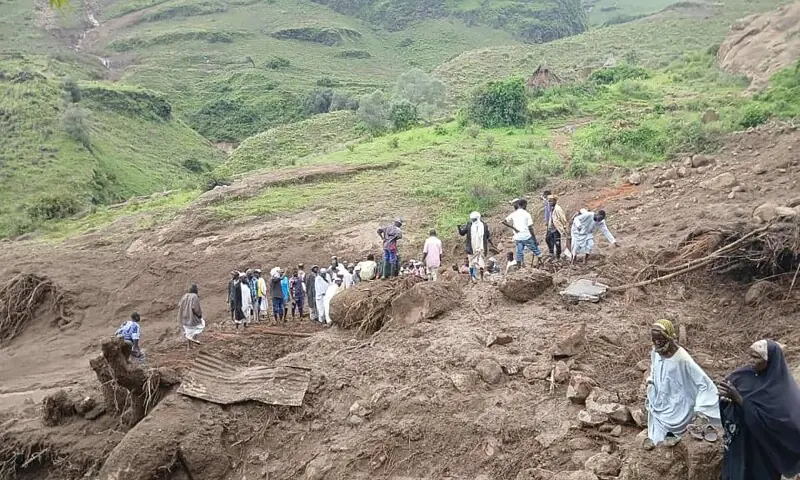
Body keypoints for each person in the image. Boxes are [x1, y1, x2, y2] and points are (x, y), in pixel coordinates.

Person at [718, 340, 800, 480]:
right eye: (750, 356)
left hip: (763, 450)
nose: (750, 361)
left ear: (770, 361)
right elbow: (727, 395)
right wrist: (726, 401)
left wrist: (740, 400)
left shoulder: (781, 389)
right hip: (741, 443)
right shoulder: (741, 375)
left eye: (756, 357)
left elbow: (785, 425)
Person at [645, 319, 720, 449]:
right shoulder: (656, 352)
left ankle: (676, 435)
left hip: (680, 406)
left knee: (675, 425)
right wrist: (651, 381)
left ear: (668, 338)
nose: (657, 343)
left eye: (660, 340)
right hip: (662, 401)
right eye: (654, 340)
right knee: (657, 436)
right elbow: (654, 368)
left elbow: (704, 383)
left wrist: (700, 409)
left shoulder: (682, 359)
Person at [502, 198, 542, 267]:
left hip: (518, 237)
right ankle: (542, 264)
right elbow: (530, 228)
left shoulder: (513, 214)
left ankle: (519, 267)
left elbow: (503, 221)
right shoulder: (527, 214)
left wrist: (514, 228)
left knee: (519, 252)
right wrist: (535, 239)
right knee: (536, 250)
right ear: (524, 205)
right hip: (526, 236)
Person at [458, 212, 492, 282]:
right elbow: (488, 235)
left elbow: (462, 233)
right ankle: (481, 278)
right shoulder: (484, 225)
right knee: (481, 262)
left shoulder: (469, 225)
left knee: (471, 263)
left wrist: (459, 228)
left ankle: (472, 278)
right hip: (481, 247)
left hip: (472, 248)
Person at [546, 195, 568, 260]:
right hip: (551, 228)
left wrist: (564, 226)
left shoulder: (558, 209)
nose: (549, 203)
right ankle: (551, 252)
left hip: (556, 229)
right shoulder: (552, 208)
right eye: (549, 201)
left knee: (557, 242)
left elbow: (563, 218)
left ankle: (558, 255)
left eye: (551, 201)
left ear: (555, 201)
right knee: (547, 239)